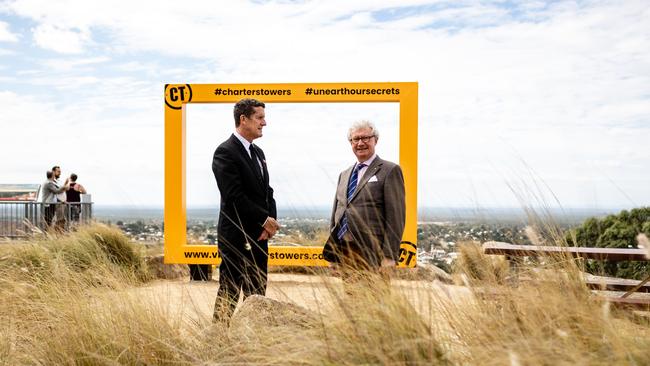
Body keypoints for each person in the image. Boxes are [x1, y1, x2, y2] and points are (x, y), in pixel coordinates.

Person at [211, 98, 279, 322]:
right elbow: (233, 196)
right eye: (259, 117)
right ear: (243, 119)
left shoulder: (259, 153)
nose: (264, 123)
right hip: (236, 236)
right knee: (230, 291)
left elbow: (267, 191)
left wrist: (270, 224)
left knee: (257, 292)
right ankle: (218, 338)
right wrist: (263, 220)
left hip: (260, 236)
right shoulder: (225, 152)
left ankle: (254, 341)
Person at [323, 120, 406, 279]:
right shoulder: (344, 174)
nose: (360, 143)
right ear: (351, 142)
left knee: (377, 302)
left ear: (376, 139)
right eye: (356, 139)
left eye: (366, 138)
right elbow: (337, 214)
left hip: (375, 256)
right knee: (350, 301)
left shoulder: (389, 170)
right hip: (346, 253)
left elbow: (396, 218)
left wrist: (389, 256)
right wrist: (334, 254)